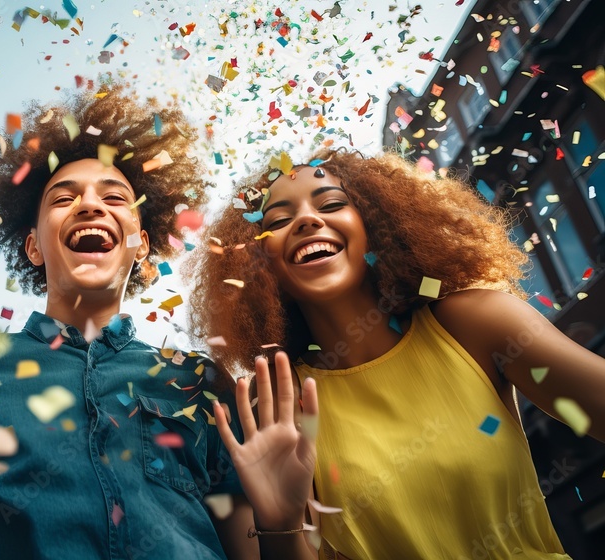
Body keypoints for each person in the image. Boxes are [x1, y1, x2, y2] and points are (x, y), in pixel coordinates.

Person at [0, 83, 272, 559]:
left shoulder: (200, 384)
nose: (91, 206)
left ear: (143, 246)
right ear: (32, 245)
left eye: (115, 199)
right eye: (62, 197)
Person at [191, 148, 605, 559]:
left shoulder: (476, 321)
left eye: (332, 204)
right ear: (259, 265)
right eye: (278, 221)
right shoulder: (280, 410)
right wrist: (279, 526)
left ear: (376, 223)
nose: (307, 220)